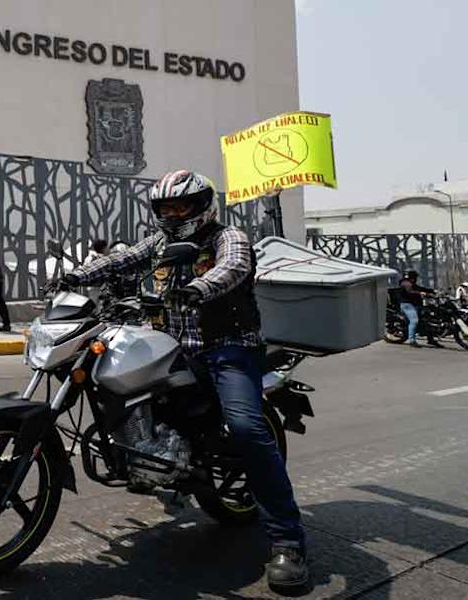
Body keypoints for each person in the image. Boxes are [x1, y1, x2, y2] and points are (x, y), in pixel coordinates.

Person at [54, 170, 309, 592]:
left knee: (246, 428)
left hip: (227, 349)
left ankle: (288, 541)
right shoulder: (159, 243)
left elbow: (232, 268)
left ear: (202, 206)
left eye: (180, 206)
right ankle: (155, 460)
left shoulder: (229, 237)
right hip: (172, 345)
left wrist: (196, 289)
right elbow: (121, 259)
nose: (172, 215)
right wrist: (76, 276)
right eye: (165, 208)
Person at [399, 270, 439, 348]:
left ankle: (431, 339)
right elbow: (410, 291)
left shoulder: (412, 284)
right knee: (414, 320)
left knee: (426, 320)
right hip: (407, 305)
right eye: (414, 277)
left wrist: (432, 291)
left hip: (415, 305)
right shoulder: (405, 283)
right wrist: (420, 293)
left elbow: (420, 288)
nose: (415, 279)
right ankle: (412, 340)